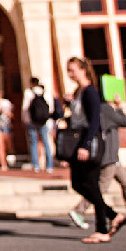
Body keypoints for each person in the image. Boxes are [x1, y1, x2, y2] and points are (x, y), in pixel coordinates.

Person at [65, 56, 124, 244]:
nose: (69, 74)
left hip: (88, 144)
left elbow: (94, 122)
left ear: (83, 70)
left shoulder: (90, 91)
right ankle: (113, 215)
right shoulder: (78, 92)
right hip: (78, 142)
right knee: (78, 184)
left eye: (72, 70)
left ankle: (103, 228)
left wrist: (85, 145)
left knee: (91, 184)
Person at [73, 94, 126, 231]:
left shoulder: (96, 110)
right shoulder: (106, 109)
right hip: (108, 158)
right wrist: (119, 106)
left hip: (111, 157)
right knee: (100, 188)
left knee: (125, 182)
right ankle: (79, 210)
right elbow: (124, 121)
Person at [23, 76, 56, 172]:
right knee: (46, 142)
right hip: (44, 121)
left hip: (32, 121)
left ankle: (36, 165)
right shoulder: (46, 92)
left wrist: (25, 120)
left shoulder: (28, 92)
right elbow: (51, 108)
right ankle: (49, 165)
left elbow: (25, 108)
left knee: (34, 142)